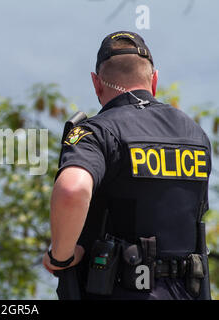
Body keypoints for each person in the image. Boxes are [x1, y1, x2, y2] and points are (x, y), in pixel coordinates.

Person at [43, 31, 211, 300]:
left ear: (96, 84)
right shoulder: (195, 135)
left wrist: (61, 256)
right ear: (154, 80)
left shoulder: (97, 133)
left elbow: (72, 190)